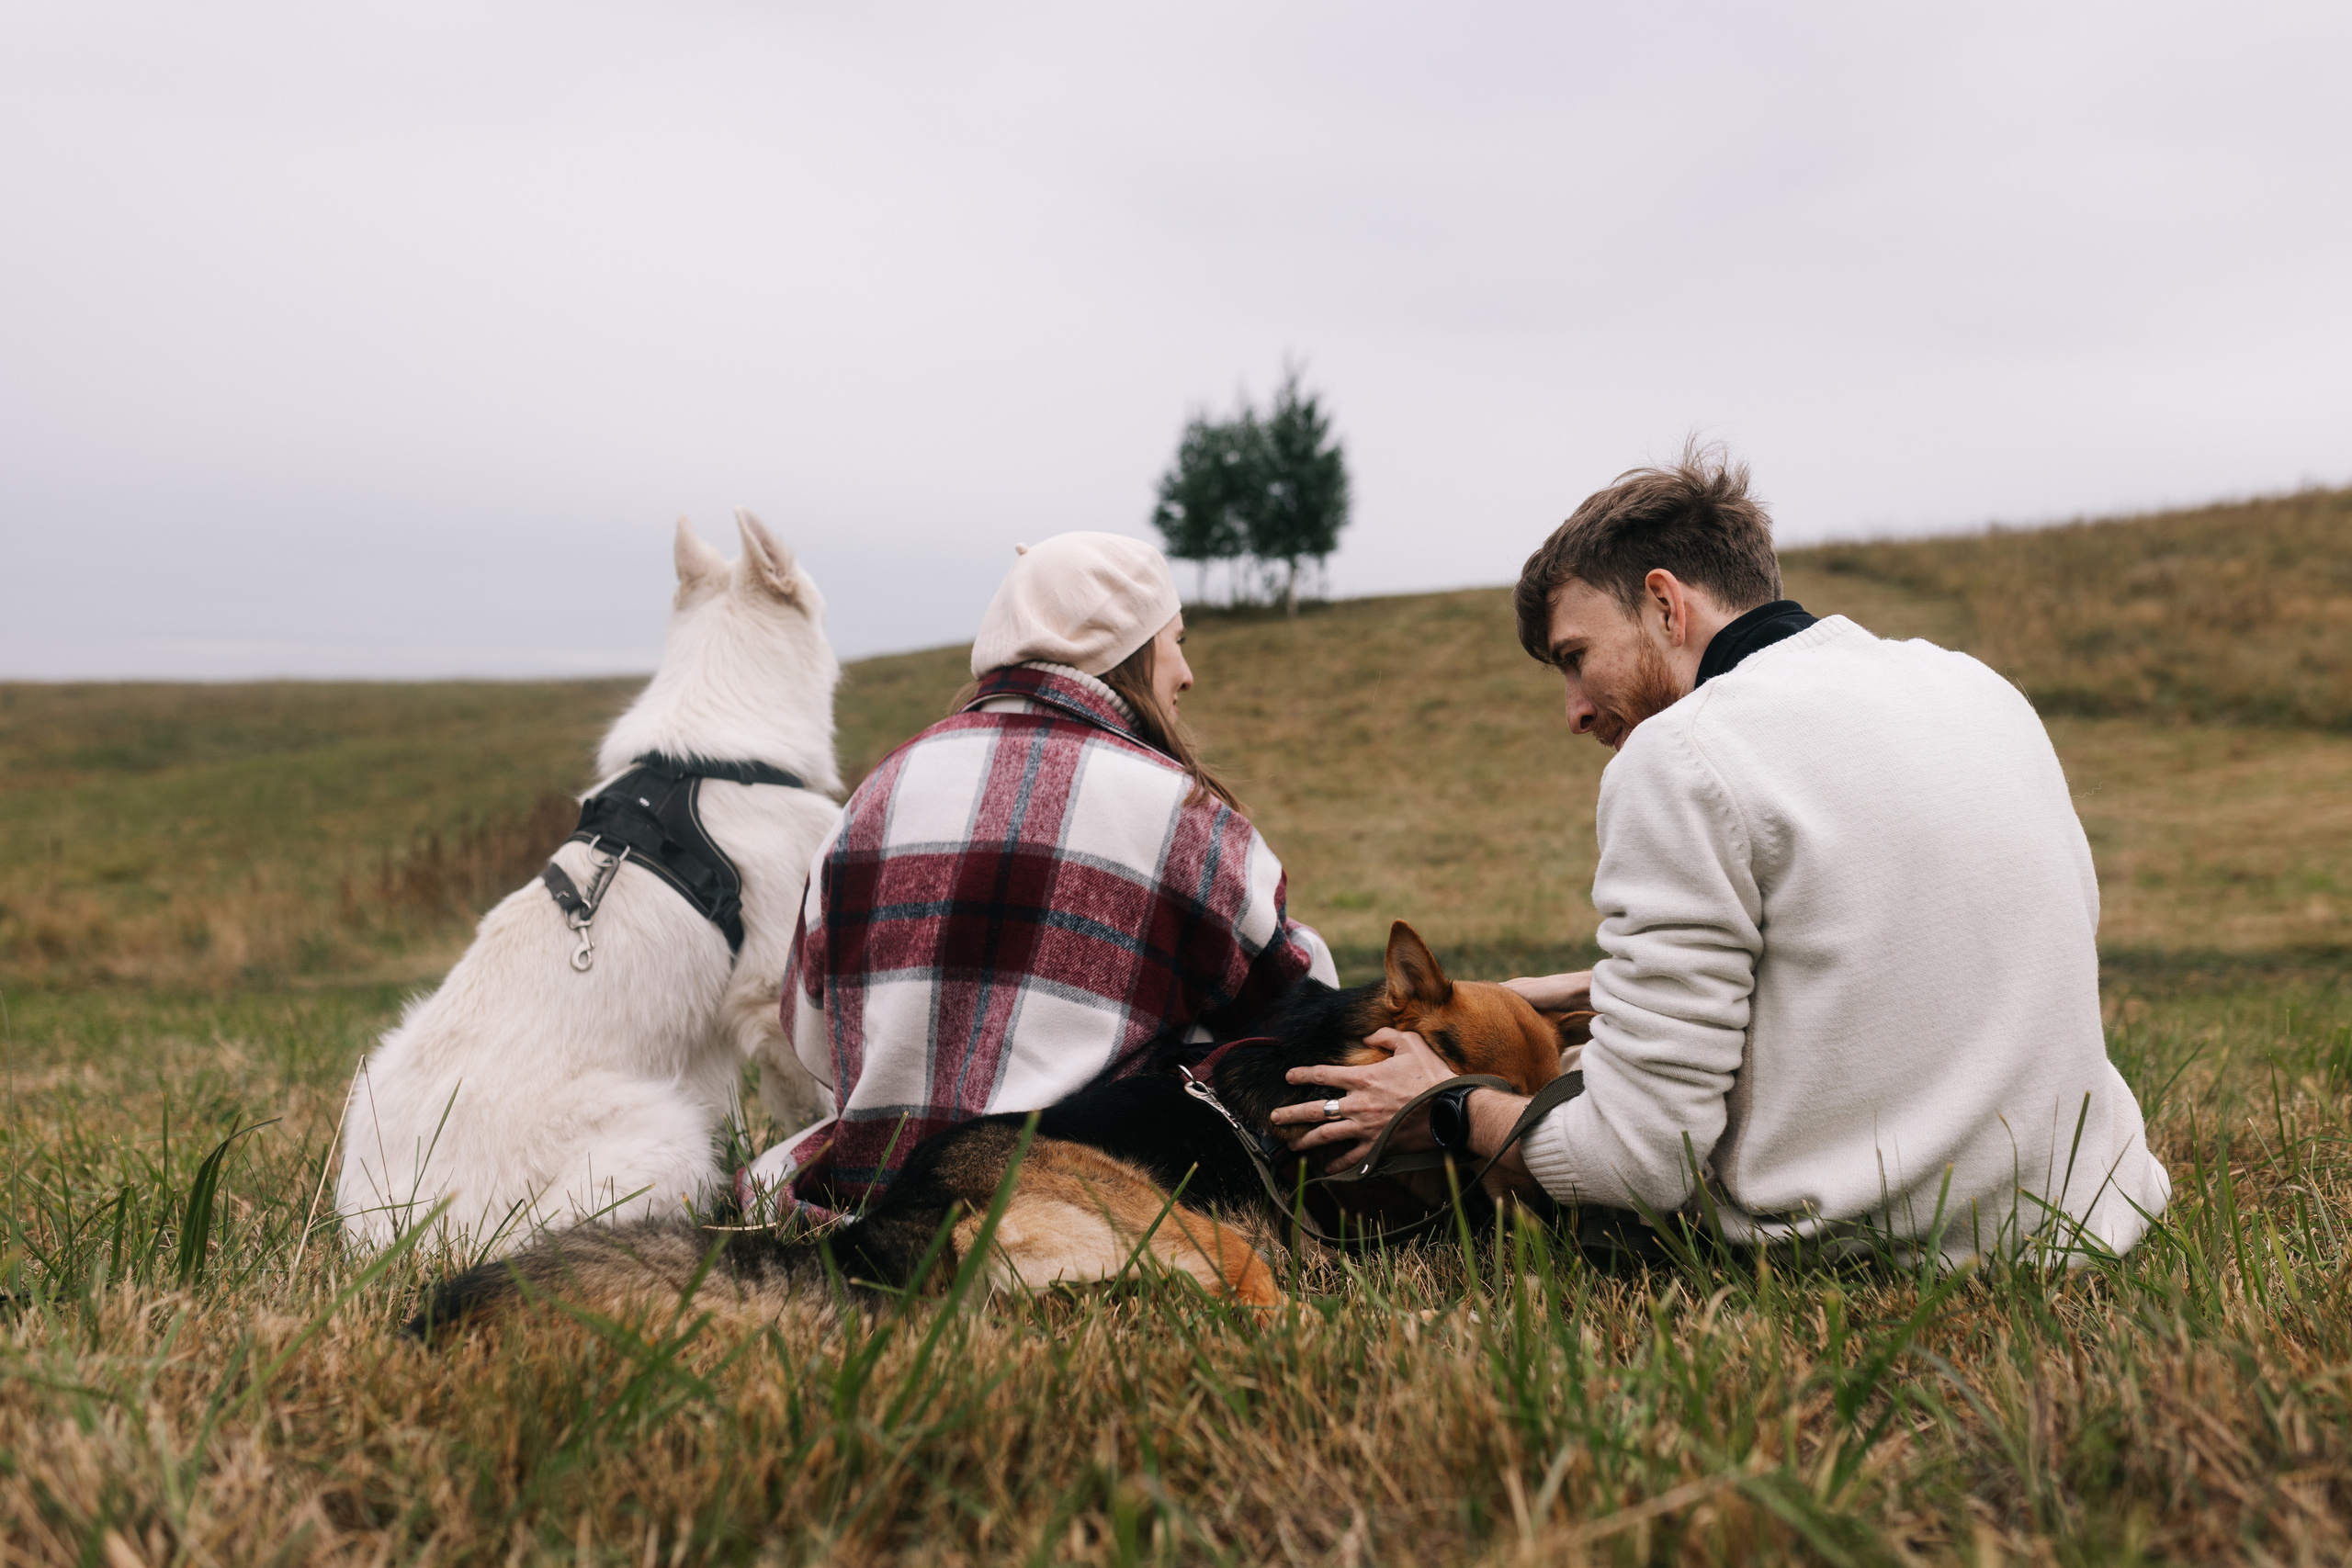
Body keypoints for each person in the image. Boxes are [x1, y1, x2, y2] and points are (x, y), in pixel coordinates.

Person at [1274, 446, 2171, 1264]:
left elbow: (1638, 1163)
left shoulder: (1686, 754)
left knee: (1546, 1115)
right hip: (2083, 1217)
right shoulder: (1977, 689)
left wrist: (1446, 1105)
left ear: (1666, 605)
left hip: (1871, 1251)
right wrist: (1584, 998)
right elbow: (1864, 959)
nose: (1575, 711)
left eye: (1577, 658)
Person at [742, 532, 1337, 1221]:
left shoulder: (878, 791)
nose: (1186, 673)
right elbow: (1299, 1007)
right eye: (1176, 641)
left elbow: (814, 1032)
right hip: (1069, 1206)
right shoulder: (1182, 815)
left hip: (873, 1201)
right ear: (1128, 653)